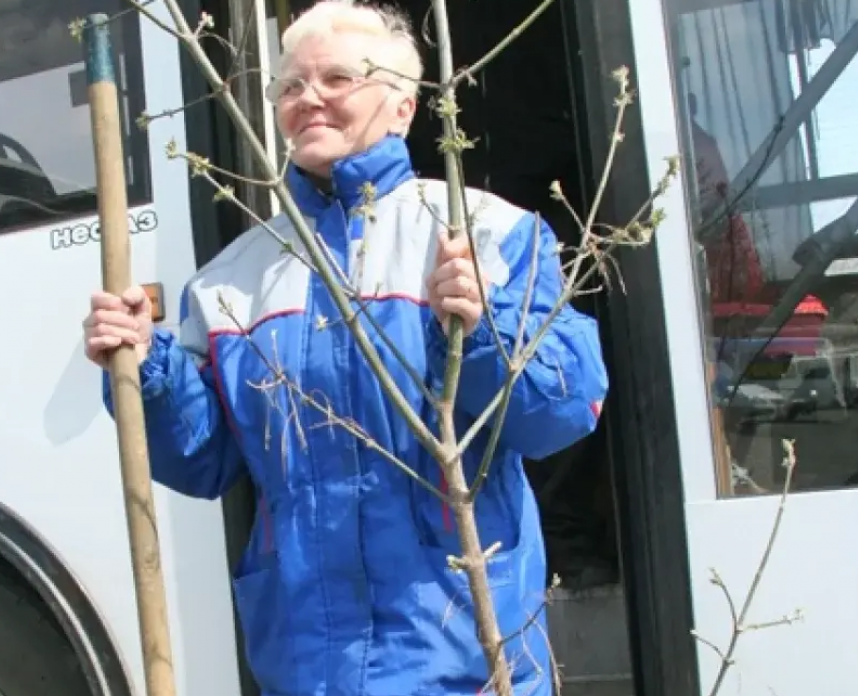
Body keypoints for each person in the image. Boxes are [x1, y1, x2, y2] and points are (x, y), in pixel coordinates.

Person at [81, 2, 608, 694]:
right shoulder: (230, 280)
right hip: (310, 669)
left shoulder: (483, 236)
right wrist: (145, 366)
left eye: (337, 78)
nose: (308, 99)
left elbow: (561, 414)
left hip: (469, 663)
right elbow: (202, 459)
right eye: (290, 85)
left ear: (403, 108)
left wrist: (484, 329)